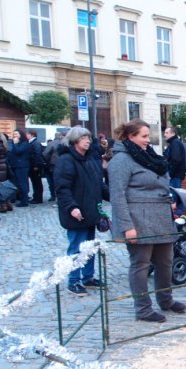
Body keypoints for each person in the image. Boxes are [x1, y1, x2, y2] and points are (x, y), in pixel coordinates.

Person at [109, 119, 186, 322]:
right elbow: (117, 195)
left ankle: (166, 300)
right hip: (138, 221)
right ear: (130, 136)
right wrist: (127, 227)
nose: (147, 140)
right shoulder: (121, 160)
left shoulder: (149, 157)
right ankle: (143, 309)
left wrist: (169, 200)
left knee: (166, 262)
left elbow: (161, 183)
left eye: (147, 136)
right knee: (141, 265)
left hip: (160, 218)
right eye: (143, 136)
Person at [54, 126, 109, 295]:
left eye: (89, 138)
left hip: (91, 211)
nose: (88, 141)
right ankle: (74, 280)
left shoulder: (90, 160)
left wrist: (113, 196)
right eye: (84, 138)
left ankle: (87, 277)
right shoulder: (66, 160)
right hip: (76, 212)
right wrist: (72, 207)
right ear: (75, 140)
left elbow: (98, 185)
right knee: (76, 248)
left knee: (89, 247)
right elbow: (62, 188)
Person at [10, 129, 31, 207]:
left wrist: (15, 144)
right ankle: (21, 198)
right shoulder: (15, 143)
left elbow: (19, 151)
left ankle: (25, 201)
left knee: (23, 183)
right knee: (18, 183)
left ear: (21, 135)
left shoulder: (24, 143)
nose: (15, 136)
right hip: (16, 165)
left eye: (16, 134)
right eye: (14, 134)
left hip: (22, 166)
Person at [43, 131, 64, 201]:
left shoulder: (51, 143)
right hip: (63, 164)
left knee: (51, 181)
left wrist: (46, 162)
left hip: (52, 165)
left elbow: (45, 154)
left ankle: (53, 196)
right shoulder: (64, 143)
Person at [26, 130, 45, 204]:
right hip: (33, 165)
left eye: (27, 134)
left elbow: (37, 155)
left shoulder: (35, 143)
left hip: (35, 166)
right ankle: (36, 197)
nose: (26, 135)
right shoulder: (32, 143)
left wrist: (36, 165)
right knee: (35, 182)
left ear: (32, 135)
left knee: (37, 182)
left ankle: (38, 198)